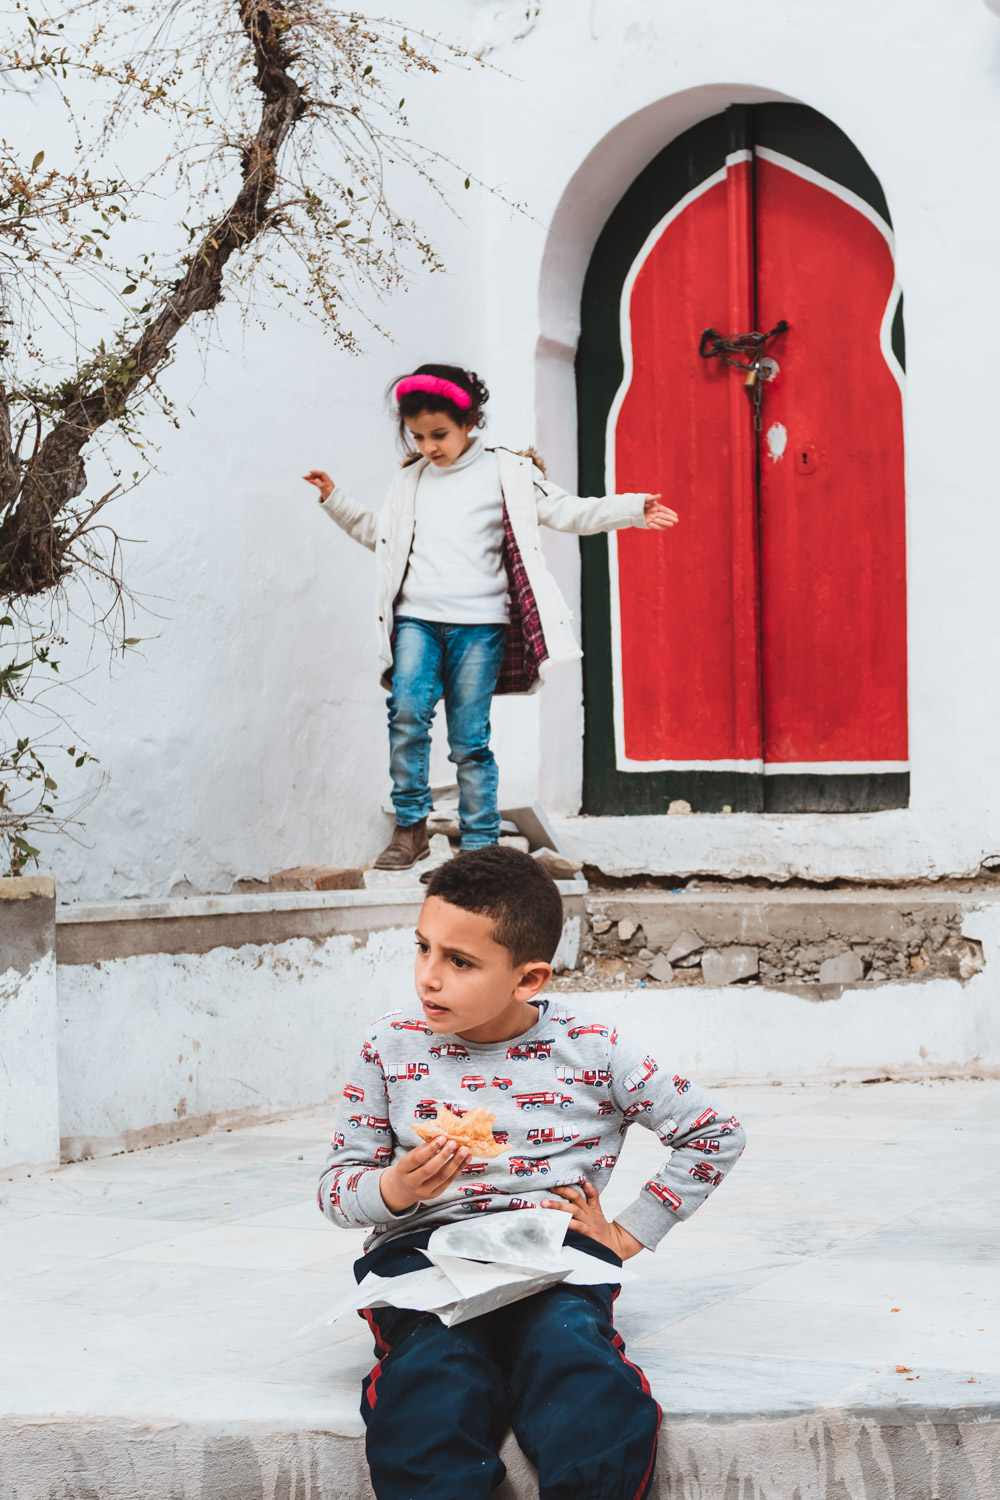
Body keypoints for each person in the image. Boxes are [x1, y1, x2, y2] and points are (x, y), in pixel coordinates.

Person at [318, 846, 746, 1500]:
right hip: (420, 1255)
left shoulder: (594, 1050)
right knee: (437, 1371)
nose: (429, 977)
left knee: (571, 1356)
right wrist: (396, 1189)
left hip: (552, 1252)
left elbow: (714, 1132)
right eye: (423, 947)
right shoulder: (389, 1045)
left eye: (459, 961)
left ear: (528, 980)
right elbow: (336, 1189)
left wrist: (629, 1234)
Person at [303, 364, 678, 869]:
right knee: (407, 715)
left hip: (480, 628)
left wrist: (632, 509)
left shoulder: (509, 472)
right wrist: (336, 500)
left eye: (440, 434)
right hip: (416, 620)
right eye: (418, 436)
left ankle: (479, 844)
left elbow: (567, 511)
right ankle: (409, 828)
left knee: (469, 737)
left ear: (469, 422)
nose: (430, 446)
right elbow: (382, 537)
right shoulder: (410, 480)